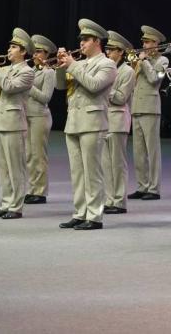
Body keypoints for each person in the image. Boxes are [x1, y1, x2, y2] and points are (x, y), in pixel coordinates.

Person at [55, 19, 117, 230]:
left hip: (92, 122)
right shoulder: (78, 64)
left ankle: (95, 216)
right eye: (80, 40)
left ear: (97, 41)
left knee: (93, 172)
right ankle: (80, 213)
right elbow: (61, 85)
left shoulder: (107, 64)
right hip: (73, 121)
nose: (81, 44)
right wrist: (62, 66)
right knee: (77, 172)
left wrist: (72, 65)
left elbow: (94, 85)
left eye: (85, 40)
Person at [0, 29, 35, 219]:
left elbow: (9, 87)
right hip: (0, 121)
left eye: (13, 47)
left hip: (14, 122)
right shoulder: (5, 69)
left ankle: (15, 207)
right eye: (10, 47)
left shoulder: (28, 72)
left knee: (15, 167)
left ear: (23, 51)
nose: (9, 50)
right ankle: (5, 203)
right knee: (2, 167)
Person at [129, 25, 169, 201]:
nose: (144, 45)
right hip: (136, 107)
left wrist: (144, 62)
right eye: (143, 42)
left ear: (156, 43)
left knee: (152, 151)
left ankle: (154, 188)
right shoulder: (140, 60)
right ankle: (142, 185)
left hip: (151, 109)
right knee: (138, 151)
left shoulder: (163, 61)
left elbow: (154, 80)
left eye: (147, 42)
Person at [102, 31, 135, 215]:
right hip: (105, 120)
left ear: (120, 52)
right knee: (106, 164)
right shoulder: (108, 68)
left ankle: (120, 201)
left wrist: (105, 86)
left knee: (117, 163)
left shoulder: (127, 71)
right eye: (107, 49)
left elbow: (121, 98)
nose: (108, 53)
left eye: (112, 50)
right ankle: (109, 199)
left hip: (118, 120)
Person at [23, 34, 57, 205]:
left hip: (40, 116)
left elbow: (45, 97)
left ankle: (41, 191)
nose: (34, 55)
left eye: (39, 52)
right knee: (29, 155)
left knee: (39, 155)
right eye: (34, 52)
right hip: (27, 115)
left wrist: (28, 86)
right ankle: (32, 188)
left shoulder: (49, 72)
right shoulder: (31, 70)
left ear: (46, 54)